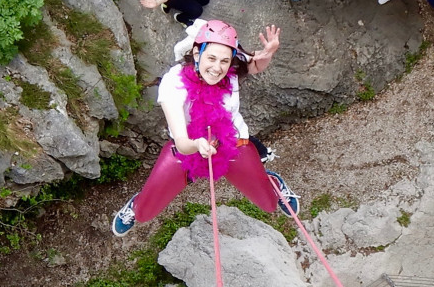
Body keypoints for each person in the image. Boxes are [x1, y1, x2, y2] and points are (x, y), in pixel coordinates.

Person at [112, 20, 299, 237]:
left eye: (224, 61)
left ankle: (272, 182)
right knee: (145, 213)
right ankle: (139, 203)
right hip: (188, 147)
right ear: (196, 53)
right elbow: (182, 142)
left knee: (269, 204)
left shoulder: (232, 64)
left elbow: (255, 65)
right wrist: (197, 144)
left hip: (231, 142)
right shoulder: (174, 84)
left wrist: (268, 53)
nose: (217, 67)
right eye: (211, 58)